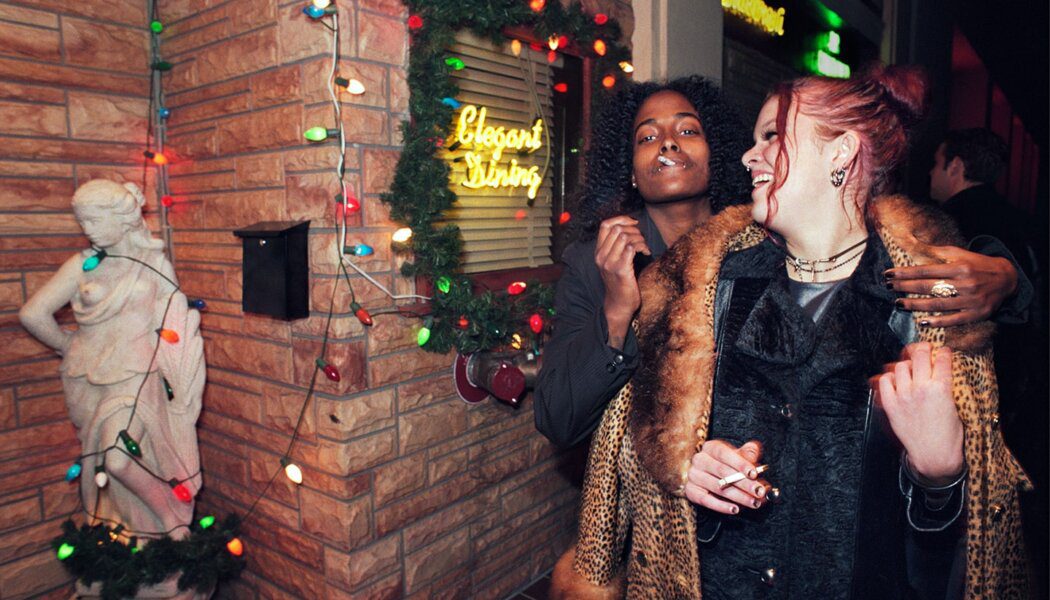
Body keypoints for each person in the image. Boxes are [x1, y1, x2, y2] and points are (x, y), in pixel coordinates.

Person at [552, 66, 1031, 598]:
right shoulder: (705, 292)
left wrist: (940, 476)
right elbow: (623, 451)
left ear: (841, 152)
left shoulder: (930, 306)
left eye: (772, 136)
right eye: (754, 139)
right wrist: (689, 472)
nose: (748, 156)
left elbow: (972, 558)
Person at [534, 78, 1029, 450]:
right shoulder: (594, 265)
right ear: (629, 172)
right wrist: (618, 311)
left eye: (687, 130)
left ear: (717, 153)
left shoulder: (763, 242)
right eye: (647, 137)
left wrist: (1006, 277)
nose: (667, 143)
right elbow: (559, 419)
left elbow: (870, 232)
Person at [19, 180, 205, 541]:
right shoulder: (81, 265)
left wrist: (180, 376)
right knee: (100, 460)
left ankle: (171, 518)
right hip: (86, 378)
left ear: (123, 218)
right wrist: (67, 344)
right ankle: (131, 532)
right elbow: (32, 313)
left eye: (93, 219)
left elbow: (176, 318)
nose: (86, 228)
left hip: (137, 373)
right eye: (82, 221)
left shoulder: (153, 263)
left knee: (118, 458)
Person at [930, 127, 1048, 598]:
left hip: (974, 392)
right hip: (1023, 387)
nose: (931, 175)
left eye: (935, 164)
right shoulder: (1023, 220)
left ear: (956, 167)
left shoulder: (947, 225)